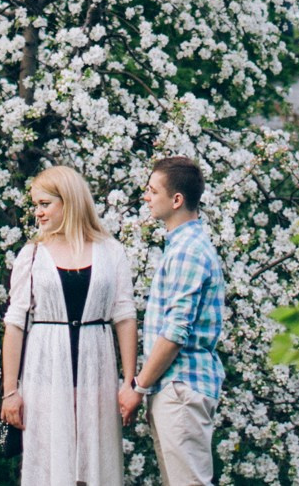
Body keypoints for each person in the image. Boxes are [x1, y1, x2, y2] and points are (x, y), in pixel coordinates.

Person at [0, 166, 139, 486]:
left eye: (45, 204)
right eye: (36, 205)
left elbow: (125, 315)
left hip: (97, 375)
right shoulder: (32, 255)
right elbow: (15, 324)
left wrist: (128, 380)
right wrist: (11, 392)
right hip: (46, 377)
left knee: (95, 467)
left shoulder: (111, 252)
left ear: (69, 201)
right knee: (51, 467)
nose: (38, 213)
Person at [121, 155, 225, 486]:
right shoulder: (181, 246)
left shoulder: (187, 251)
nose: (147, 197)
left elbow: (175, 333)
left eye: (152, 191)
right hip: (175, 388)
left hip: (181, 389)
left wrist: (138, 386)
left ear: (176, 199)